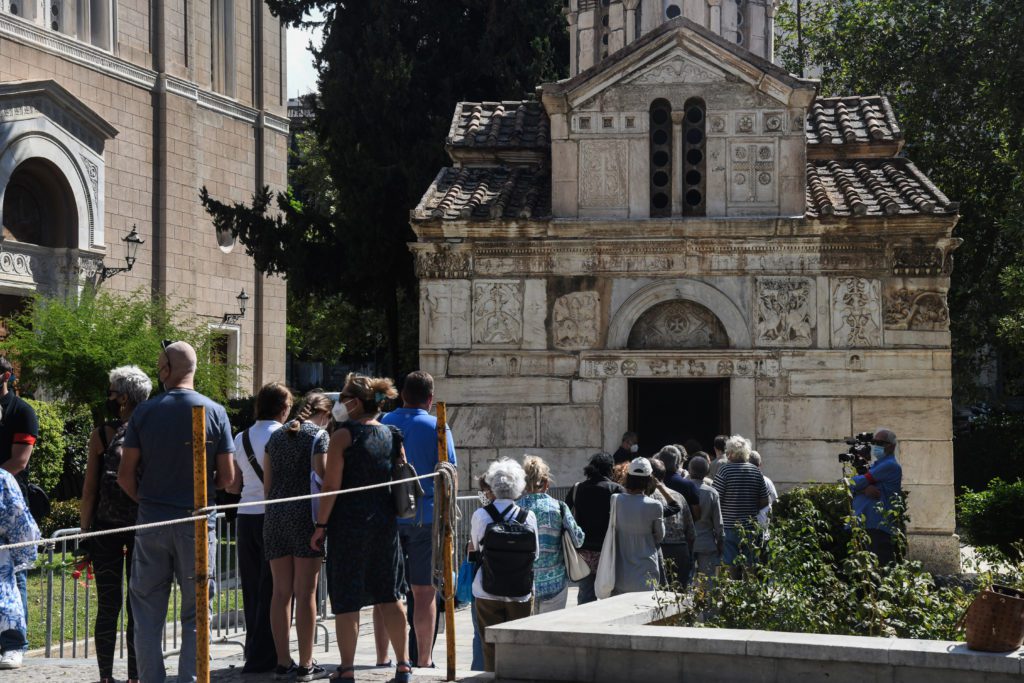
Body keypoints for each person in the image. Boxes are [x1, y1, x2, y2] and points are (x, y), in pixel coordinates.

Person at [119, 341, 235, 683]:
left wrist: (149, 500)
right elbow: (227, 478)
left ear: (166, 370)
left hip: (153, 519)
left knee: (147, 612)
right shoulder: (215, 412)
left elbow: (125, 476)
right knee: (197, 612)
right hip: (197, 522)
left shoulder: (145, 412)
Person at [310, 374, 411, 683]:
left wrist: (320, 526)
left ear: (354, 402)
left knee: (347, 597)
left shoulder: (344, 436)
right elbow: (400, 478)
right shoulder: (393, 434)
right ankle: (404, 664)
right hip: (384, 524)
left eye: (342, 398)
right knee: (389, 594)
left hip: (349, 525)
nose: (340, 403)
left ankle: (347, 668)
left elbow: (331, 486)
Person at [379, 370, 456, 668]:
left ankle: (384, 657)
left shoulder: (385, 423)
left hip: (389, 515)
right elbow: (449, 467)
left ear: (402, 395)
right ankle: (424, 659)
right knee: (424, 592)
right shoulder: (437, 425)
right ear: (430, 398)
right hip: (425, 516)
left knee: (386, 590)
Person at [80, 365, 152, 683]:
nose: (108, 397)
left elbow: (90, 490)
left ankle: (106, 677)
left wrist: (85, 535)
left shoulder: (102, 434)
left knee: (108, 606)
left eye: (111, 391)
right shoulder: (153, 433)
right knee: (138, 606)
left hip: (106, 530)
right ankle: (135, 677)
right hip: (142, 530)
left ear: (122, 397)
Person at [264, 391, 329, 681]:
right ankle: (306, 662)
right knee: (306, 593)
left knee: (280, 593)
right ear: (325, 414)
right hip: (305, 518)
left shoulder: (275, 437)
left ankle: (282, 661)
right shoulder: (319, 437)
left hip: (275, 517)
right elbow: (324, 478)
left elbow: (268, 485)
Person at [227, 383, 291, 675]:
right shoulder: (286, 435)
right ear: (283, 408)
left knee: (252, 588)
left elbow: (233, 484)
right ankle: (268, 654)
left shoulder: (240, 437)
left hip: (245, 515)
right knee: (275, 590)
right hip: (274, 515)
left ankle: (254, 650)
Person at [470, 458, 538, 672]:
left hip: (487, 589)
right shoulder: (528, 517)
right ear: (519, 487)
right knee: (519, 646)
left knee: (489, 645)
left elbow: (476, 547)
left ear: (492, 486)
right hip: (521, 592)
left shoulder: (481, 515)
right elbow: (534, 554)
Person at [0, 355, 37, 670]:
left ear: (6, 376)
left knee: (13, 574)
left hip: (8, 504)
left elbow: (18, 462)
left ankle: (15, 644)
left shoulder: (22, 412)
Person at [517, 455, 584, 613]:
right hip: (555, 584)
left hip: (524, 585)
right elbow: (578, 540)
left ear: (524, 484)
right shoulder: (559, 507)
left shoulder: (516, 508)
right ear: (546, 482)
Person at [564, 453, 623, 604]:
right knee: (610, 593)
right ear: (610, 469)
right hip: (609, 550)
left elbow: (565, 514)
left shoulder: (578, 488)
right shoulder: (616, 490)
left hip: (584, 551)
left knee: (585, 595)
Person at [712, 435, 769, 578]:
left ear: (730, 453)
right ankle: (749, 595)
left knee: (731, 564)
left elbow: (715, 497)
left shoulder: (724, 471)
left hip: (729, 525)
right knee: (750, 563)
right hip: (750, 526)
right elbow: (765, 500)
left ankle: (733, 595)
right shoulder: (756, 471)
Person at [609, 458, 665, 595]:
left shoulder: (615, 499)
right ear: (649, 479)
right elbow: (660, 536)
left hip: (620, 571)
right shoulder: (655, 505)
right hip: (646, 571)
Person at [0, 468, 38, 669]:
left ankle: (13, 645)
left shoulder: (3, 478)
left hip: (1, 549)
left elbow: (18, 516)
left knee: (5, 600)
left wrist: (23, 552)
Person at [849, 428, 903, 565]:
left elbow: (854, 482)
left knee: (878, 568)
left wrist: (860, 486)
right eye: (875, 442)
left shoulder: (889, 465)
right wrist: (863, 490)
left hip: (877, 525)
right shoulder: (878, 465)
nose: (876, 446)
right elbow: (856, 485)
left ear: (892, 446)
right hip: (868, 523)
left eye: (881, 443)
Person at [650, 459, 695, 588]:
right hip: (680, 550)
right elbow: (691, 532)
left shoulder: (648, 498)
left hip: (659, 550)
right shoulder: (678, 496)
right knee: (679, 596)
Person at [687, 455, 723, 577]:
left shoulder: (682, 490)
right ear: (707, 472)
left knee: (686, 581)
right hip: (706, 542)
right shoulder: (712, 492)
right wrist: (720, 542)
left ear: (690, 471)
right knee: (708, 581)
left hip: (687, 542)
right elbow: (718, 523)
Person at [655, 445, 700, 517]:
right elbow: (697, 515)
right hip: (683, 527)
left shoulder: (652, 483)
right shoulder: (689, 485)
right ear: (678, 462)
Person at [747, 451, 778, 533]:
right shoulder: (767, 481)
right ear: (760, 464)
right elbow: (775, 502)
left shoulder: (743, 481)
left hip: (746, 527)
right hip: (764, 525)